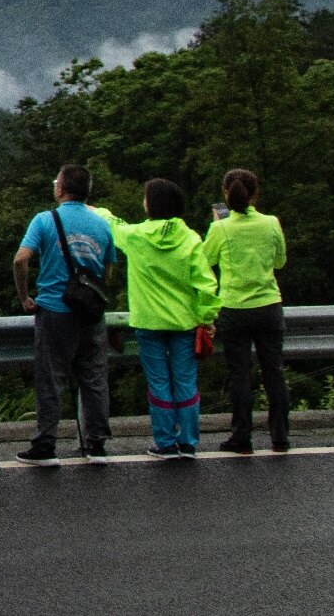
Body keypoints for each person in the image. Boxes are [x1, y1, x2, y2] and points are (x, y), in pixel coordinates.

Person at [97, 179, 221, 459]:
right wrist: (206, 318)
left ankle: (165, 442)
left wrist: (97, 210)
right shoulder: (190, 238)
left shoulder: (137, 236)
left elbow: (113, 226)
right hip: (184, 323)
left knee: (159, 383)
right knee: (185, 382)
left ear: (151, 204)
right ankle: (187, 442)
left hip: (149, 323)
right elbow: (206, 284)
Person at [12, 163, 118, 467]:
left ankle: (45, 444)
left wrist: (24, 296)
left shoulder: (45, 220)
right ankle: (96, 443)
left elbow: (21, 259)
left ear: (60, 188)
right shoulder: (101, 225)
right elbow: (109, 269)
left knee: (51, 378)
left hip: (54, 308)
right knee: (94, 378)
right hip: (90, 311)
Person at [201, 168, 291, 454]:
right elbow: (280, 262)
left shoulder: (221, 228)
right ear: (255, 194)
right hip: (268, 305)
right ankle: (280, 436)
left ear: (225, 194)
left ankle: (241, 437)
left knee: (240, 375)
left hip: (234, 307)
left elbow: (205, 260)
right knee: (274, 372)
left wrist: (218, 225)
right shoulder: (271, 223)